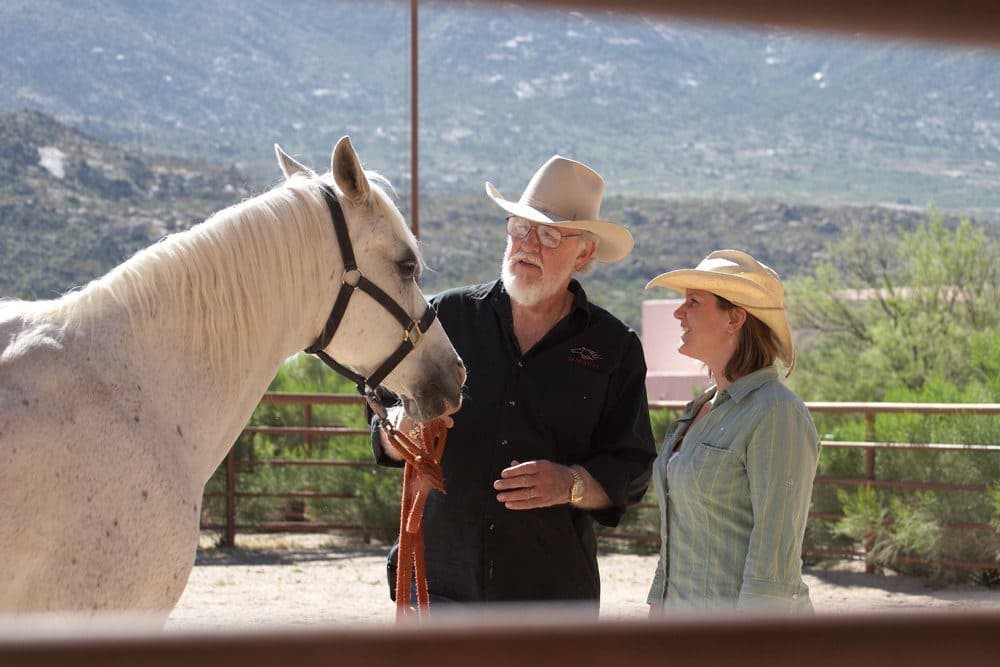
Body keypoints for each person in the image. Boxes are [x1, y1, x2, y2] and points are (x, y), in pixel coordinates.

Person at [372, 155, 656, 607]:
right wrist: (403, 427)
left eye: (549, 235)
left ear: (584, 254)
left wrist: (571, 484)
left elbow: (633, 468)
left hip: (550, 601)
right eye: (520, 228)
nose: (527, 245)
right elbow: (379, 419)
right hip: (440, 589)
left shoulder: (614, 347)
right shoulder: (444, 318)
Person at [644, 250, 819, 613]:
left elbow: (774, 559)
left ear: (735, 318)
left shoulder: (777, 412)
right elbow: (679, 534)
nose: (678, 313)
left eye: (693, 302)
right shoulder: (700, 409)